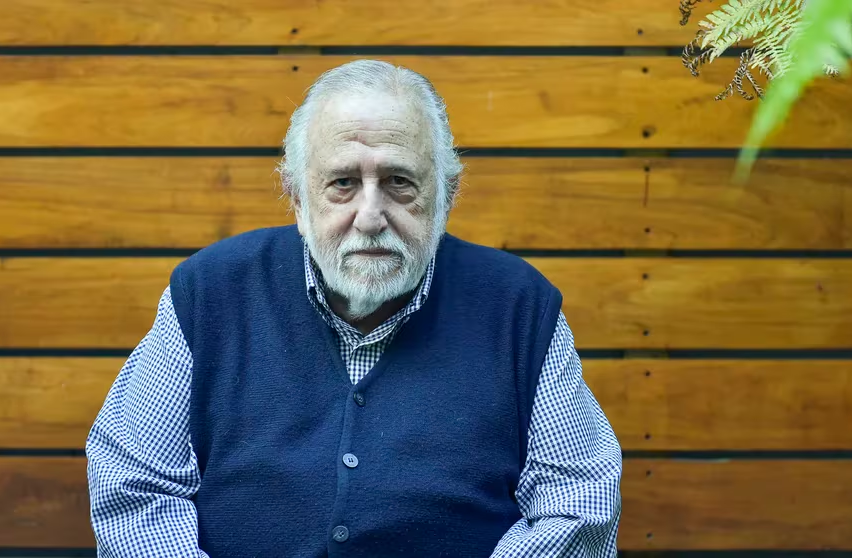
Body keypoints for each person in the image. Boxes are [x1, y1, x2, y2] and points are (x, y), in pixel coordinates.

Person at [86, 59, 622, 557]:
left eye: (399, 182)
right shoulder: (209, 293)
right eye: (343, 183)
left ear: (447, 196)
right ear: (298, 199)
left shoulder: (519, 308)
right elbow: (134, 485)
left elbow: (579, 502)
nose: (370, 216)